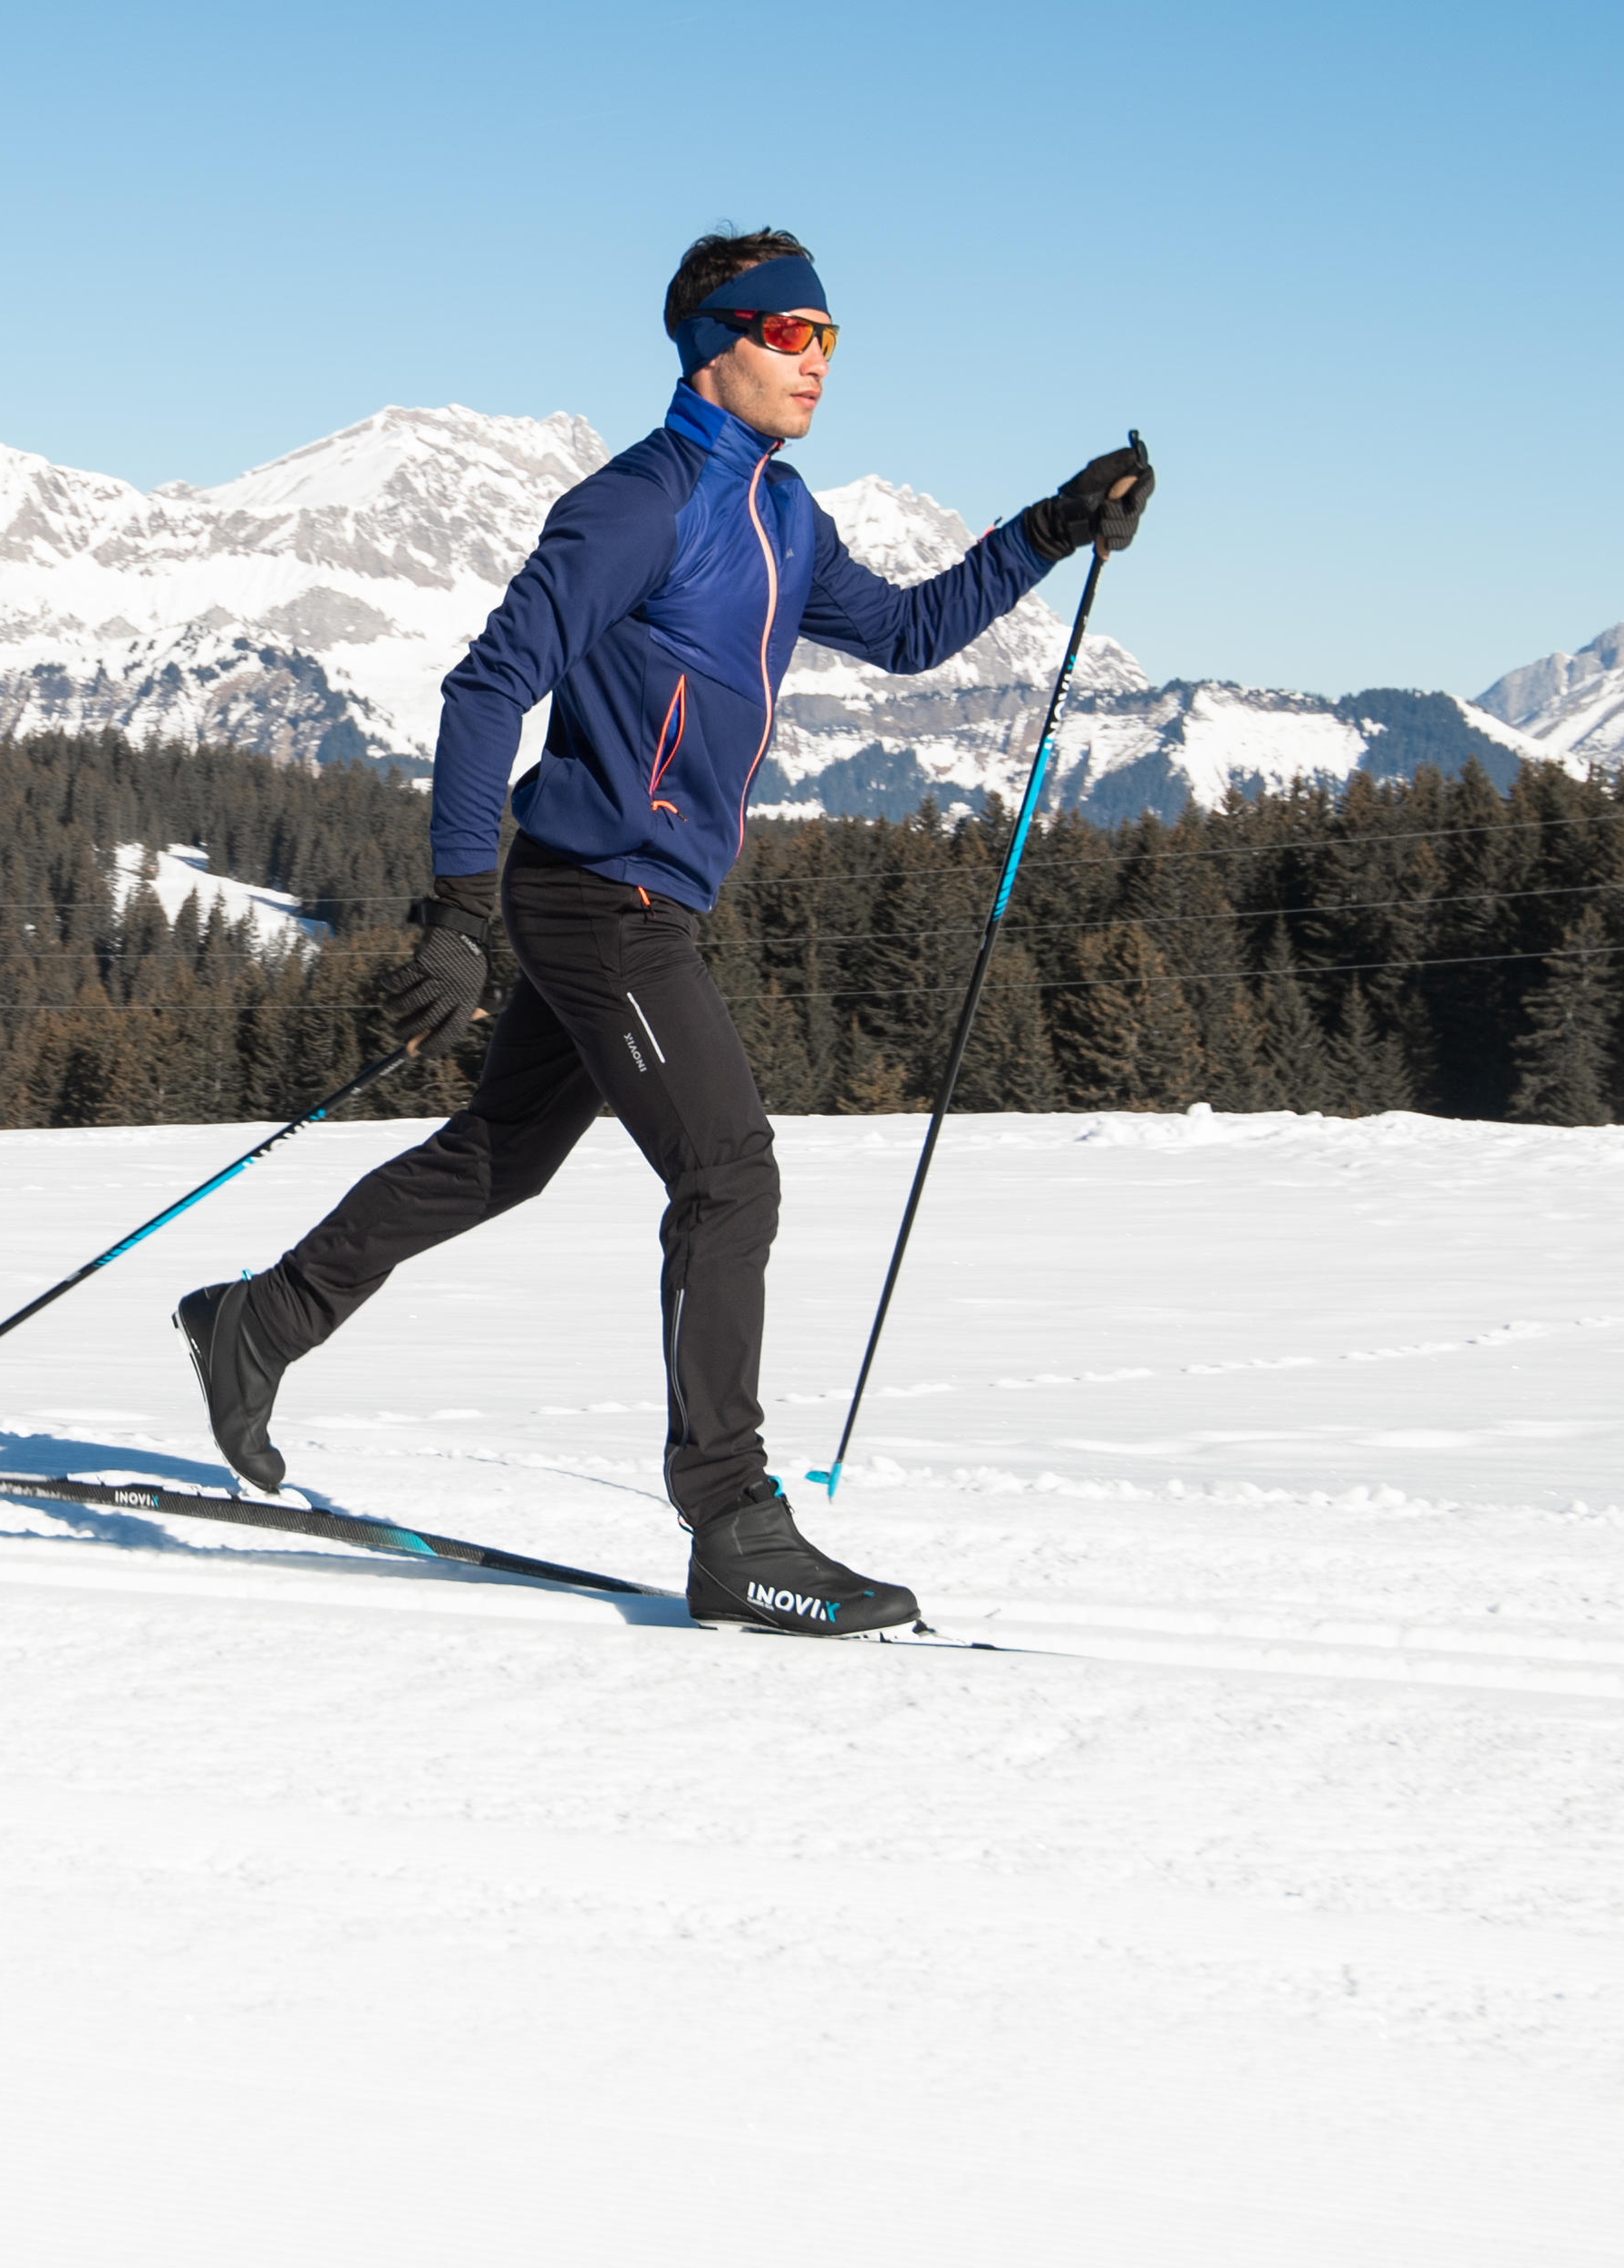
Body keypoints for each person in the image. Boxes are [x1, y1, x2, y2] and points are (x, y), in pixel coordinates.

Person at [174, 230, 1152, 1633]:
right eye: (794, 333)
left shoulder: (782, 511)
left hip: (646, 894)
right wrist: (453, 908)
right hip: (599, 900)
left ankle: (255, 1321)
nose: (821, 362)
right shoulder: (640, 503)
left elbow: (911, 632)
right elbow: (485, 686)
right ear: (717, 340)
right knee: (727, 1177)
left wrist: (1053, 527)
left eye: (832, 338)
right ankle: (731, 1522)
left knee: (498, 1158)